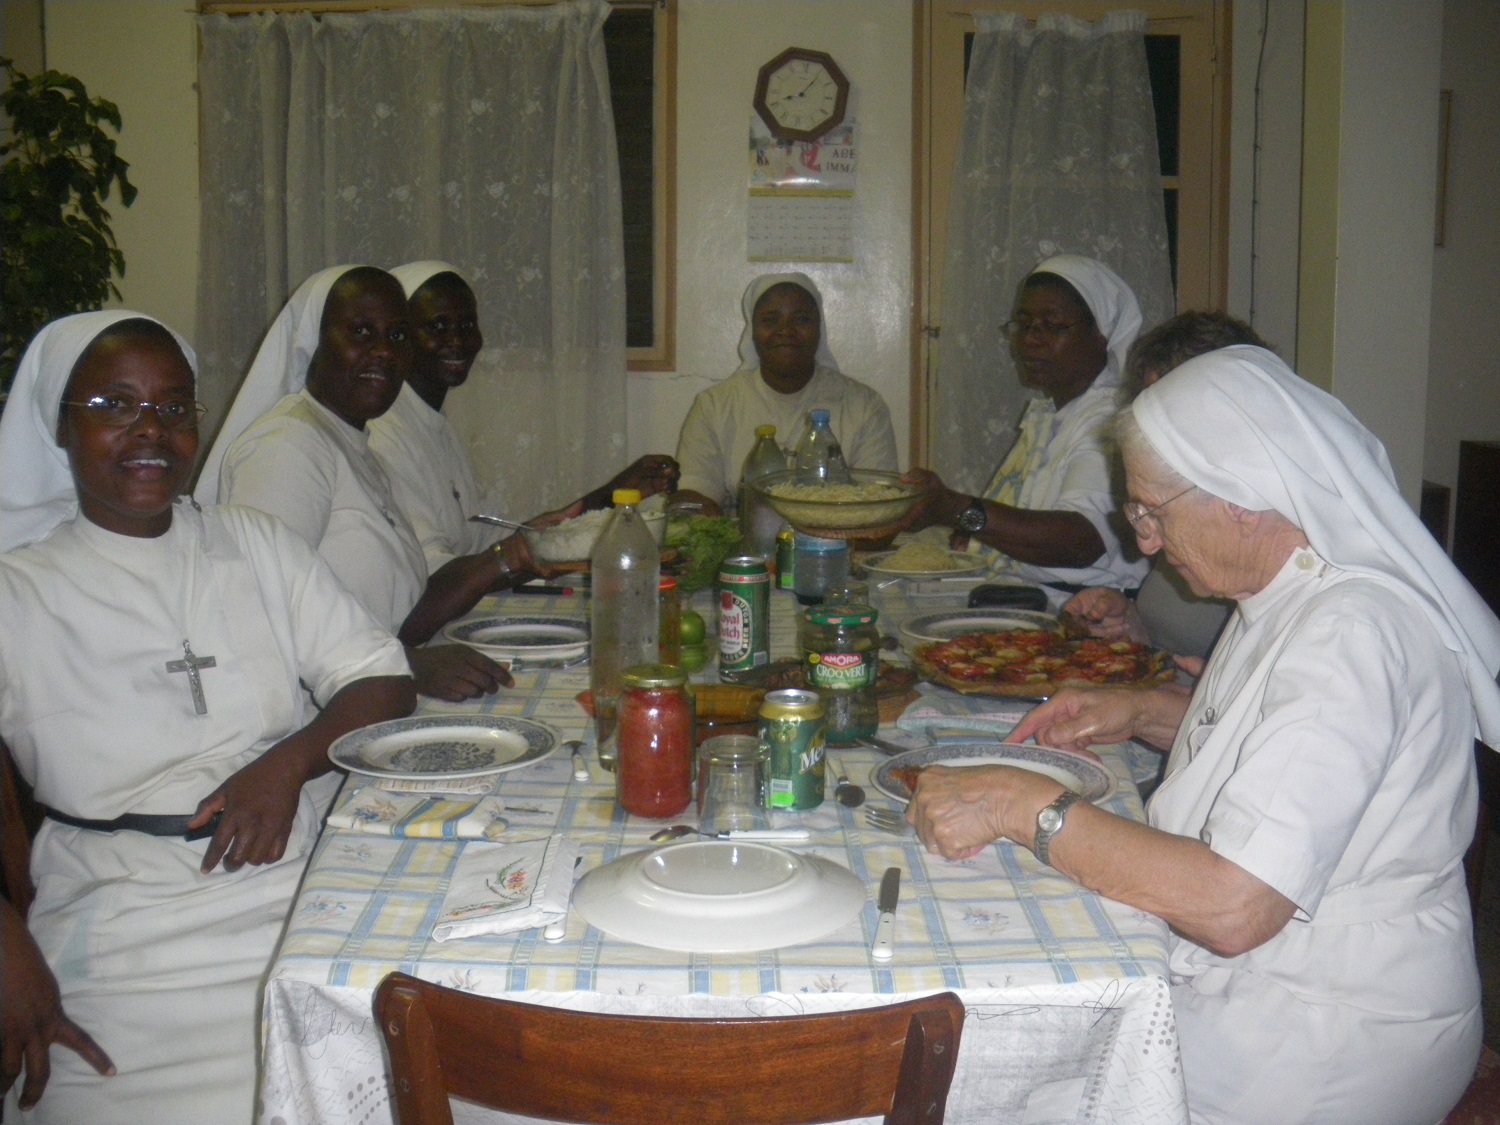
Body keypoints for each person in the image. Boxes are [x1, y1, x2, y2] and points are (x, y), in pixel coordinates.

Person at [908, 345, 1500, 1124]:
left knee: (995, 1080)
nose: (1146, 542)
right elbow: (1300, 757)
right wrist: (1143, 709)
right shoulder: (1291, 595)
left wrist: (1028, 805)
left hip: (1327, 1030)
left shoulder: (1351, 631)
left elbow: (1234, 904)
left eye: (1154, 511)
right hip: (1279, 988)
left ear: (1241, 500)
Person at [0, 312, 414, 1123]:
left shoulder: (252, 541)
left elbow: (383, 678)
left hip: (296, 886)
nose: (150, 430)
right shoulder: (20, 590)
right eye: (114, 404)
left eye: (175, 406)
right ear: (62, 425)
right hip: (121, 922)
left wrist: (288, 763)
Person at [194, 264, 520, 701]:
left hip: (376, 692)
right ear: (313, 344)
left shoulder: (353, 442)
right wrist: (407, 665)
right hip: (314, 719)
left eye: (397, 336)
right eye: (362, 333)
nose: (385, 352)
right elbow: (261, 614)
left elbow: (397, 609)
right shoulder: (286, 447)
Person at [367, 260, 679, 574]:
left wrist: (612, 495)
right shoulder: (385, 436)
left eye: (466, 325)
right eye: (437, 327)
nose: (457, 340)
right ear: (400, 336)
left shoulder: (434, 423)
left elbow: (487, 541)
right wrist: (525, 559)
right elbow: (431, 571)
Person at [898, 255, 1151, 596]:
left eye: (1054, 326)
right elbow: (1024, 514)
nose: (1031, 339)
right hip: (1028, 598)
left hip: (1086, 615)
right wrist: (978, 528)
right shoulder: (1052, 415)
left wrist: (959, 510)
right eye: (1024, 323)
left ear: (1102, 335)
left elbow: (1082, 540)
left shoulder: (1108, 422)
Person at [1063, 311, 1269, 665]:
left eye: (1170, 411)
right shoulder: (1182, 496)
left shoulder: (1254, 515)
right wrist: (1128, 621)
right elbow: (1181, 636)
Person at [673, 272, 898, 513]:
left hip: (836, 544)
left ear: (819, 328)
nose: (786, 331)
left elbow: (878, 503)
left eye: (801, 319)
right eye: (770, 320)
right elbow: (693, 495)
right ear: (753, 331)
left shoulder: (864, 406)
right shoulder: (714, 406)